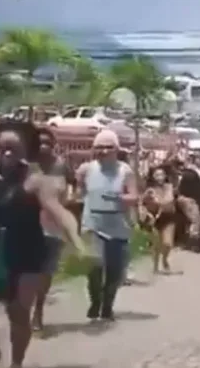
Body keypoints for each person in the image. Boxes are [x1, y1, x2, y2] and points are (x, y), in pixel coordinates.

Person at [0, 120, 86, 368]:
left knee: (18, 315)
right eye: (3, 147)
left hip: (26, 256)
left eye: (14, 149)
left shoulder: (35, 180)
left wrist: (77, 240)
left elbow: (59, 212)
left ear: (26, 151)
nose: (7, 153)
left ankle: (16, 362)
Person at [75, 130, 138, 321]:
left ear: (116, 149)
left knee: (114, 270)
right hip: (93, 224)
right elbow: (80, 193)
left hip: (117, 224)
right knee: (95, 267)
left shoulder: (124, 171)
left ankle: (107, 306)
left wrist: (121, 198)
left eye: (108, 147)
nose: (103, 151)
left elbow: (134, 196)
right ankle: (95, 301)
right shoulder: (86, 170)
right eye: (99, 147)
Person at [32, 127, 75, 333]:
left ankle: (38, 310)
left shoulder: (61, 167)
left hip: (53, 228)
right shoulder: (26, 166)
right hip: (26, 227)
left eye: (47, 142)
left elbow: (74, 188)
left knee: (46, 273)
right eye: (39, 142)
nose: (43, 146)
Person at [141, 164, 176, 274]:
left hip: (168, 217)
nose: (159, 177)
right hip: (154, 219)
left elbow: (169, 200)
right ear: (153, 177)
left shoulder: (170, 187)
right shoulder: (149, 190)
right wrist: (146, 213)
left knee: (168, 243)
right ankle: (155, 265)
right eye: (157, 175)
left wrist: (159, 201)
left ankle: (165, 259)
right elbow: (141, 203)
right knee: (156, 243)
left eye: (161, 174)